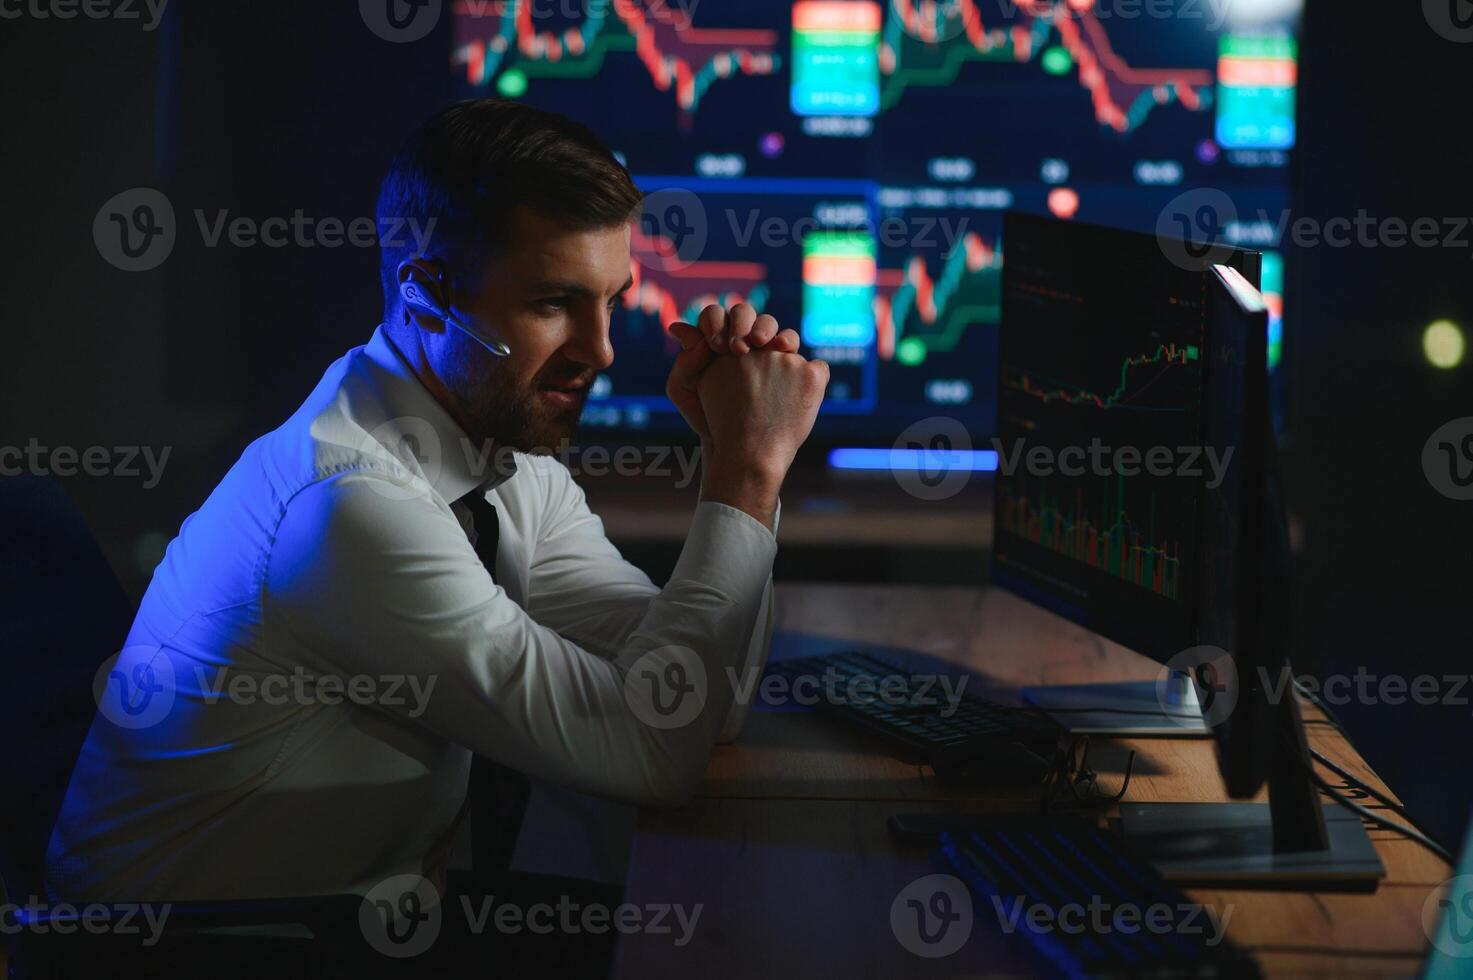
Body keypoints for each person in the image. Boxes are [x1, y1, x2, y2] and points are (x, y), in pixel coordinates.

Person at [46, 98, 827, 974]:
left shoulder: (506, 463)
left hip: (354, 922)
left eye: (611, 301)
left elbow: (699, 708)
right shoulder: (347, 509)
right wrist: (747, 477)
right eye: (552, 304)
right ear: (424, 296)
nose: (602, 351)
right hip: (197, 956)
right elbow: (658, 753)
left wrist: (734, 452)